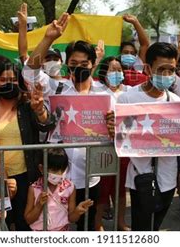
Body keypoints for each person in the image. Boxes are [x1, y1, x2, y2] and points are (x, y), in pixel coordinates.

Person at [24, 13, 114, 231]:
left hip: (89, 176)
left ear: (93, 64)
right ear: (67, 65)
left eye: (85, 63)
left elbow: (118, 130)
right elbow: (29, 73)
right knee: (53, 226)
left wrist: (114, 128)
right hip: (57, 175)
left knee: (85, 226)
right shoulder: (58, 88)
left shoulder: (106, 94)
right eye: (74, 63)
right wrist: (48, 39)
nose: (79, 67)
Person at [116, 42, 180, 231]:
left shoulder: (176, 102)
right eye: (162, 69)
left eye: (171, 70)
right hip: (141, 177)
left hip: (168, 177)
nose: (167, 75)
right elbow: (120, 136)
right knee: (142, 229)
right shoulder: (128, 99)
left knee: (156, 227)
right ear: (147, 68)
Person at [0, 61, 55, 231]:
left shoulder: (27, 106)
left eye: (13, 79)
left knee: (23, 223)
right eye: (3, 79)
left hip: (25, 176)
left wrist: (40, 111)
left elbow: (46, 125)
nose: (8, 83)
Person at [95, 57, 131, 231]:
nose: (116, 73)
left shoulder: (130, 92)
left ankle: (121, 222)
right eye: (111, 69)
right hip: (103, 146)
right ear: (103, 73)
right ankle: (98, 223)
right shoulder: (97, 92)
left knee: (121, 187)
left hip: (124, 147)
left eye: (119, 69)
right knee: (103, 188)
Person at [24, 148, 93, 231]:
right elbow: (28, 220)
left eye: (63, 170)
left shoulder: (69, 187)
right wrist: (39, 205)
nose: (59, 174)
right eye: (54, 170)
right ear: (41, 168)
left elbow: (72, 219)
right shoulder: (34, 189)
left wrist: (77, 211)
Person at [120, 14, 149, 86]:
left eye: (132, 53)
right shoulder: (113, 66)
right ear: (119, 53)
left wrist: (135, 22)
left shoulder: (137, 66)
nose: (129, 55)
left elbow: (144, 44)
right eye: (126, 52)